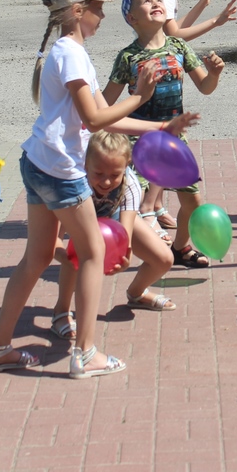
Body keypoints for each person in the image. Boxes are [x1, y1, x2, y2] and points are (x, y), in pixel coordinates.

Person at [0, 0, 197, 379]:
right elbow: (96, 119)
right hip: (61, 172)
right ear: (78, 11)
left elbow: (107, 120)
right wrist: (140, 96)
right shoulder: (71, 54)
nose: (102, 14)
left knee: (39, 257)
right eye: (97, 7)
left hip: (39, 163)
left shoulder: (68, 52)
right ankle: (86, 354)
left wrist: (160, 127)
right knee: (93, 253)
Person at [103, 0, 224, 268]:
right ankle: (125, 251)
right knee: (132, 203)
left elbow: (205, 87)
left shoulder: (179, 46)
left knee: (192, 202)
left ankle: (181, 248)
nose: (155, 3)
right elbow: (106, 105)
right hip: (140, 141)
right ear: (131, 18)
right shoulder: (128, 57)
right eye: (145, 1)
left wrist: (215, 73)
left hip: (173, 139)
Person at [131, 0, 236, 233]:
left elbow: (172, 37)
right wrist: (215, 21)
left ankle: (155, 207)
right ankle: (147, 212)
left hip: (160, 68)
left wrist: (202, 6)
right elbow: (175, 35)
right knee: (162, 138)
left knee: (162, 142)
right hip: (158, 74)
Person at [53, 131, 177, 330]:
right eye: (99, 174)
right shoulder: (73, 183)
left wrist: (122, 259)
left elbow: (124, 237)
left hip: (113, 214)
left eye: (114, 175)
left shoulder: (131, 185)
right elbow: (55, 240)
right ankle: (61, 312)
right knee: (76, 255)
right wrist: (69, 258)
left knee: (164, 259)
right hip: (80, 213)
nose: (107, 182)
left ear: (127, 165)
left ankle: (137, 293)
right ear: (86, 164)